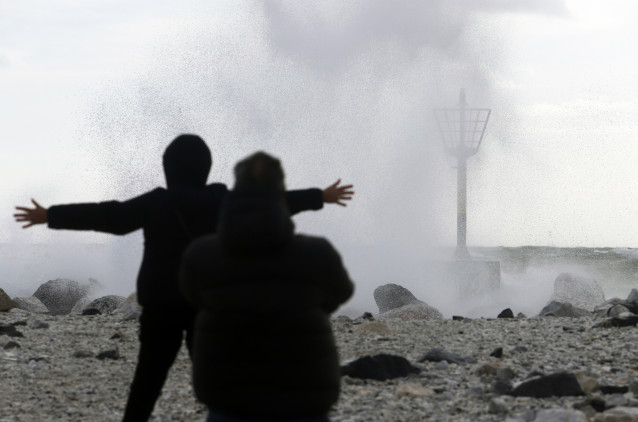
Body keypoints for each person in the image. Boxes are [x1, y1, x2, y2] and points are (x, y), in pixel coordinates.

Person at [13, 134, 354, 422]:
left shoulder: (157, 203)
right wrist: (319, 196)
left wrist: (50, 215)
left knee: (147, 379)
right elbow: (271, 203)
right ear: (205, 168)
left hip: (160, 305)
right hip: (203, 304)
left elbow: (110, 215)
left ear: (168, 168)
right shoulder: (221, 199)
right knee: (220, 378)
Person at [179, 151, 354, 422]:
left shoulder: (202, 255)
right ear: (282, 190)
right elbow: (341, 293)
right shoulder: (317, 254)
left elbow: (193, 296)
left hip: (229, 397)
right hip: (303, 397)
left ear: (235, 188)